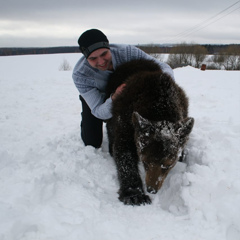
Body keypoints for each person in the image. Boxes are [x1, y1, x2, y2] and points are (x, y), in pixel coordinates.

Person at [72, 29, 174, 148]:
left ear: (108, 47)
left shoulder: (127, 52)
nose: (101, 61)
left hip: (129, 91)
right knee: (92, 142)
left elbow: (164, 67)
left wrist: (160, 81)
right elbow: (100, 112)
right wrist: (115, 97)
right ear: (85, 58)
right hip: (99, 99)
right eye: (93, 59)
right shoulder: (81, 75)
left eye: (104, 54)